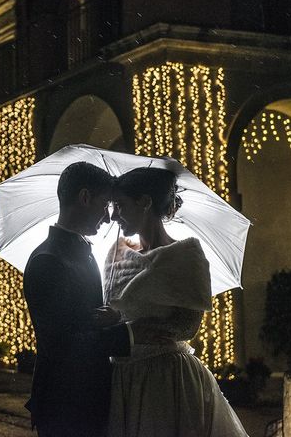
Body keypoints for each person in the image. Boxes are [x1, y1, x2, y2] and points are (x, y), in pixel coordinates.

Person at [102, 167, 249, 436]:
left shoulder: (185, 256)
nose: (114, 215)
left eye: (121, 205)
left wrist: (134, 329)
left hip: (166, 378)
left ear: (145, 202)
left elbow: (187, 327)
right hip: (122, 377)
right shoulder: (117, 257)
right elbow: (113, 312)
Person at [23, 162, 164, 437]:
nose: (110, 217)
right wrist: (131, 334)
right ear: (84, 198)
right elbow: (65, 343)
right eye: (106, 204)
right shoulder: (47, 261)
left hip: (90, 400)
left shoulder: (83, 253)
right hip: (65, 405)